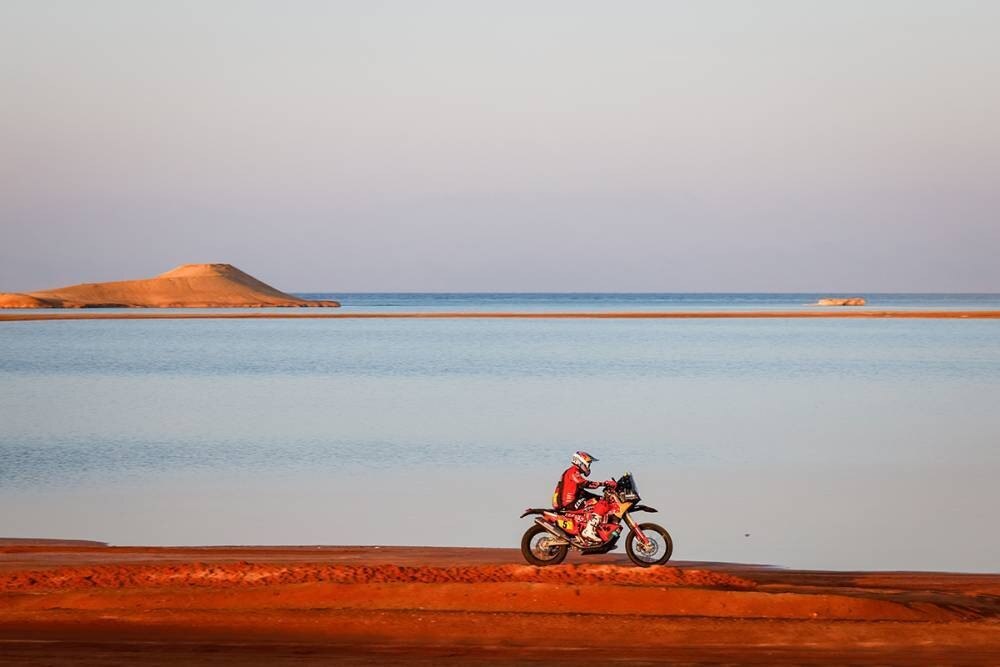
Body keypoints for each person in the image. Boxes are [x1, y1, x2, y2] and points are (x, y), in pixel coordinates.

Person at [554, 451, 616, 543]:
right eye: (588, 464)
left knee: (600, 500)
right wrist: (604, 483)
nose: (589, 466)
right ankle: (589, 531)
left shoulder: (573, 471)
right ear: (580, 462)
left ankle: (593, 528)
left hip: (572, 500)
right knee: (601, 504)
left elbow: (582, 490)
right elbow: (584, 483)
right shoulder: (573, 472)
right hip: (569, 503)